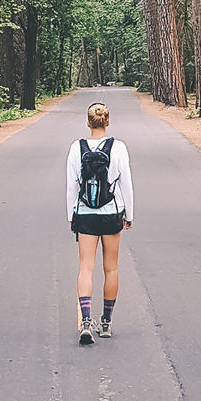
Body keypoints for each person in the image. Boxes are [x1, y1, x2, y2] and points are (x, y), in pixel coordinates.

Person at [66, 101, 134, 345]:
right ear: (108, 121)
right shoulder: (119, 148)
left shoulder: (77, 148)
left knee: (85, 267)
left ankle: (85, 321)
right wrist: (129, 214)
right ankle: (106, 323)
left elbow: (72, 185)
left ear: (88, 123)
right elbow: (125, 183)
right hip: (110, 214)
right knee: (111, 268)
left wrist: (71, 216)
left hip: (85, 213)